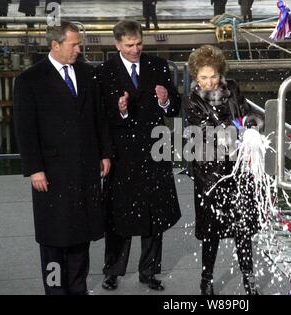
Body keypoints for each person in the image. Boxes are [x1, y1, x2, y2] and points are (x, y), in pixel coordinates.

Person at [13, 21, 112, 295]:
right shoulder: (30, 80)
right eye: (74, 45)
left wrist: (104, 153)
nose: (79, 50)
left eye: (79, 44)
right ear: (55, 45)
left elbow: (99, 117)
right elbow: (25, 129)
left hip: (85, 169)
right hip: (52, 172)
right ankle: (56, 290)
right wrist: (34, 169)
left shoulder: (87, 74)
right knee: (54, 238)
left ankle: (78, 288)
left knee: (82, 233)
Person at [96, 19, 181, 292]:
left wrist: (165, 100)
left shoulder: (158, 66)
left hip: (155, 151)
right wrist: (120, 109)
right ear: (117, 44)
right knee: (118, 215)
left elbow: (175, 108)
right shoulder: (104, 72)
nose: (135, 49)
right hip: (121, 155)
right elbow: (99, 118)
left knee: (153, 215)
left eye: (139, 43)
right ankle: (112, 271)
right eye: (130, 45)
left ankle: (149, 272)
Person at [184, 45, 262, 295]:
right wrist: (236, 130)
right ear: (196, 77)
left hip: (237, 171)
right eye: (203, 77)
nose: (209, 82)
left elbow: (247, 114)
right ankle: (206, 281)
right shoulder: (190, 101)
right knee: (211, 233)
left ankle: (249, 281)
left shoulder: (233, 89)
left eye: (214, 76)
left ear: (221, 74)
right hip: (209, 174)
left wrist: (250, 126)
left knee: (243, 230)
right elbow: (206, 132)